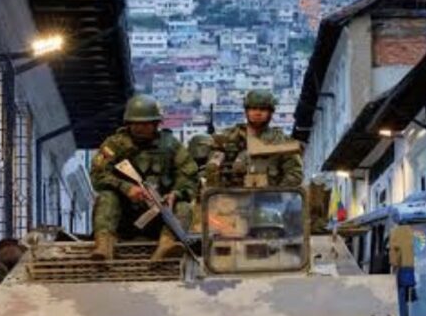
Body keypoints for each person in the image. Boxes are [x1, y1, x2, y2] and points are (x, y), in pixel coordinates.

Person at [89, 94, 199, 262]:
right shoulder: (115, 145)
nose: (140, 128)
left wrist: (175, 194)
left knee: (184, 206)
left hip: (160, 215)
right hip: (124, 215)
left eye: (146, 124)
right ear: (129, 123)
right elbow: (98, 174)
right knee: (106, 197)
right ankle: (104, 245)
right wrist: (126, 188)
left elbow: (189, 175)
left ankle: (167, 244)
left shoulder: (170, 145)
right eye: (136, 124)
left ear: (156, 124)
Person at [207, 89, 303, 188]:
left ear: (271, 112)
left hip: (270, 195)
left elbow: (294, 174)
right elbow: (209, 169)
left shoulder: (281, 142)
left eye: (263, 109)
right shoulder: (229, 137)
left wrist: (276, 194)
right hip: (231, 195)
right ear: (247, 111)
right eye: (253, 109)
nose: (258, 113)